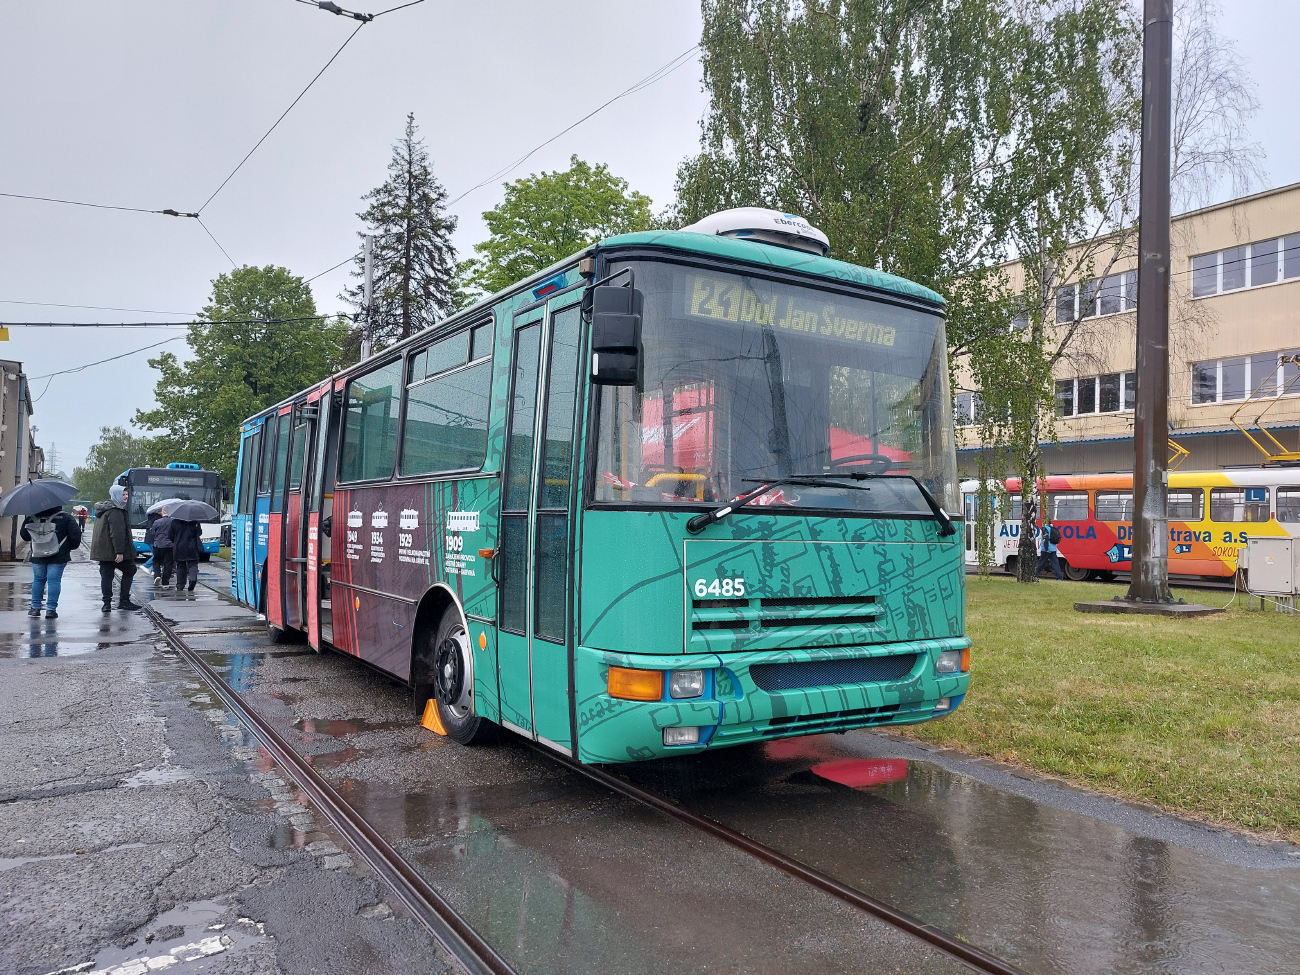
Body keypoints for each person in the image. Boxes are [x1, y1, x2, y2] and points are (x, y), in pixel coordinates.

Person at [20, 505, 82, 619]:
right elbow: (76, 536)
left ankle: (35, 608)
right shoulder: (66, 517)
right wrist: (68, 548)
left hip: (38, 555)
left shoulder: (31, 517)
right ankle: (50, 610)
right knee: (54, 581)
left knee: (38, 580)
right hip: (58, 555)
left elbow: (24, 536)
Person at [91, 483, 141, 612]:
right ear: (116, 495)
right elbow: (117, 533)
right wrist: (119, 552)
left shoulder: (103, 510)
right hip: (114, 551)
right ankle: (124, 600)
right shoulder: (116, 511)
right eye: (123, 494)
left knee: (106, 576)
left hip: (103, 552)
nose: (126, 496)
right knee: (130, 569)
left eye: (127, 494)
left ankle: (106, 603)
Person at [171, 517, 203, 594]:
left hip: (179, 547)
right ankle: (192, 579)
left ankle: (180, 585)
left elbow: (170, 535)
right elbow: (199, 533)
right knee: (193, 564)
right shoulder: (195, 522)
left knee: (180, 566)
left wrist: (177, 540)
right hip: (192, 547)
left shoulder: (175, 522)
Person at [150, 509, 175, 587]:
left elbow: (153, 533)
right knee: (168, 563)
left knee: (156, 561)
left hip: (158, 545)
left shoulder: (157, 522)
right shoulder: (173, 522)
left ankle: (157, 575)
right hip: (170, 545)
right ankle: (165, 582)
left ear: (162, 512)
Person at [1037, 515, 1063, 580]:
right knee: (1055, 563)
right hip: (1053, 549)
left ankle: (1035, 574)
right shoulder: (1052, 527)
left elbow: (1045, 539)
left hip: (1046, 549)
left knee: (1041, 563)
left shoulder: (1045, 528)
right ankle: (1059, 577)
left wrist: (1046, 548)